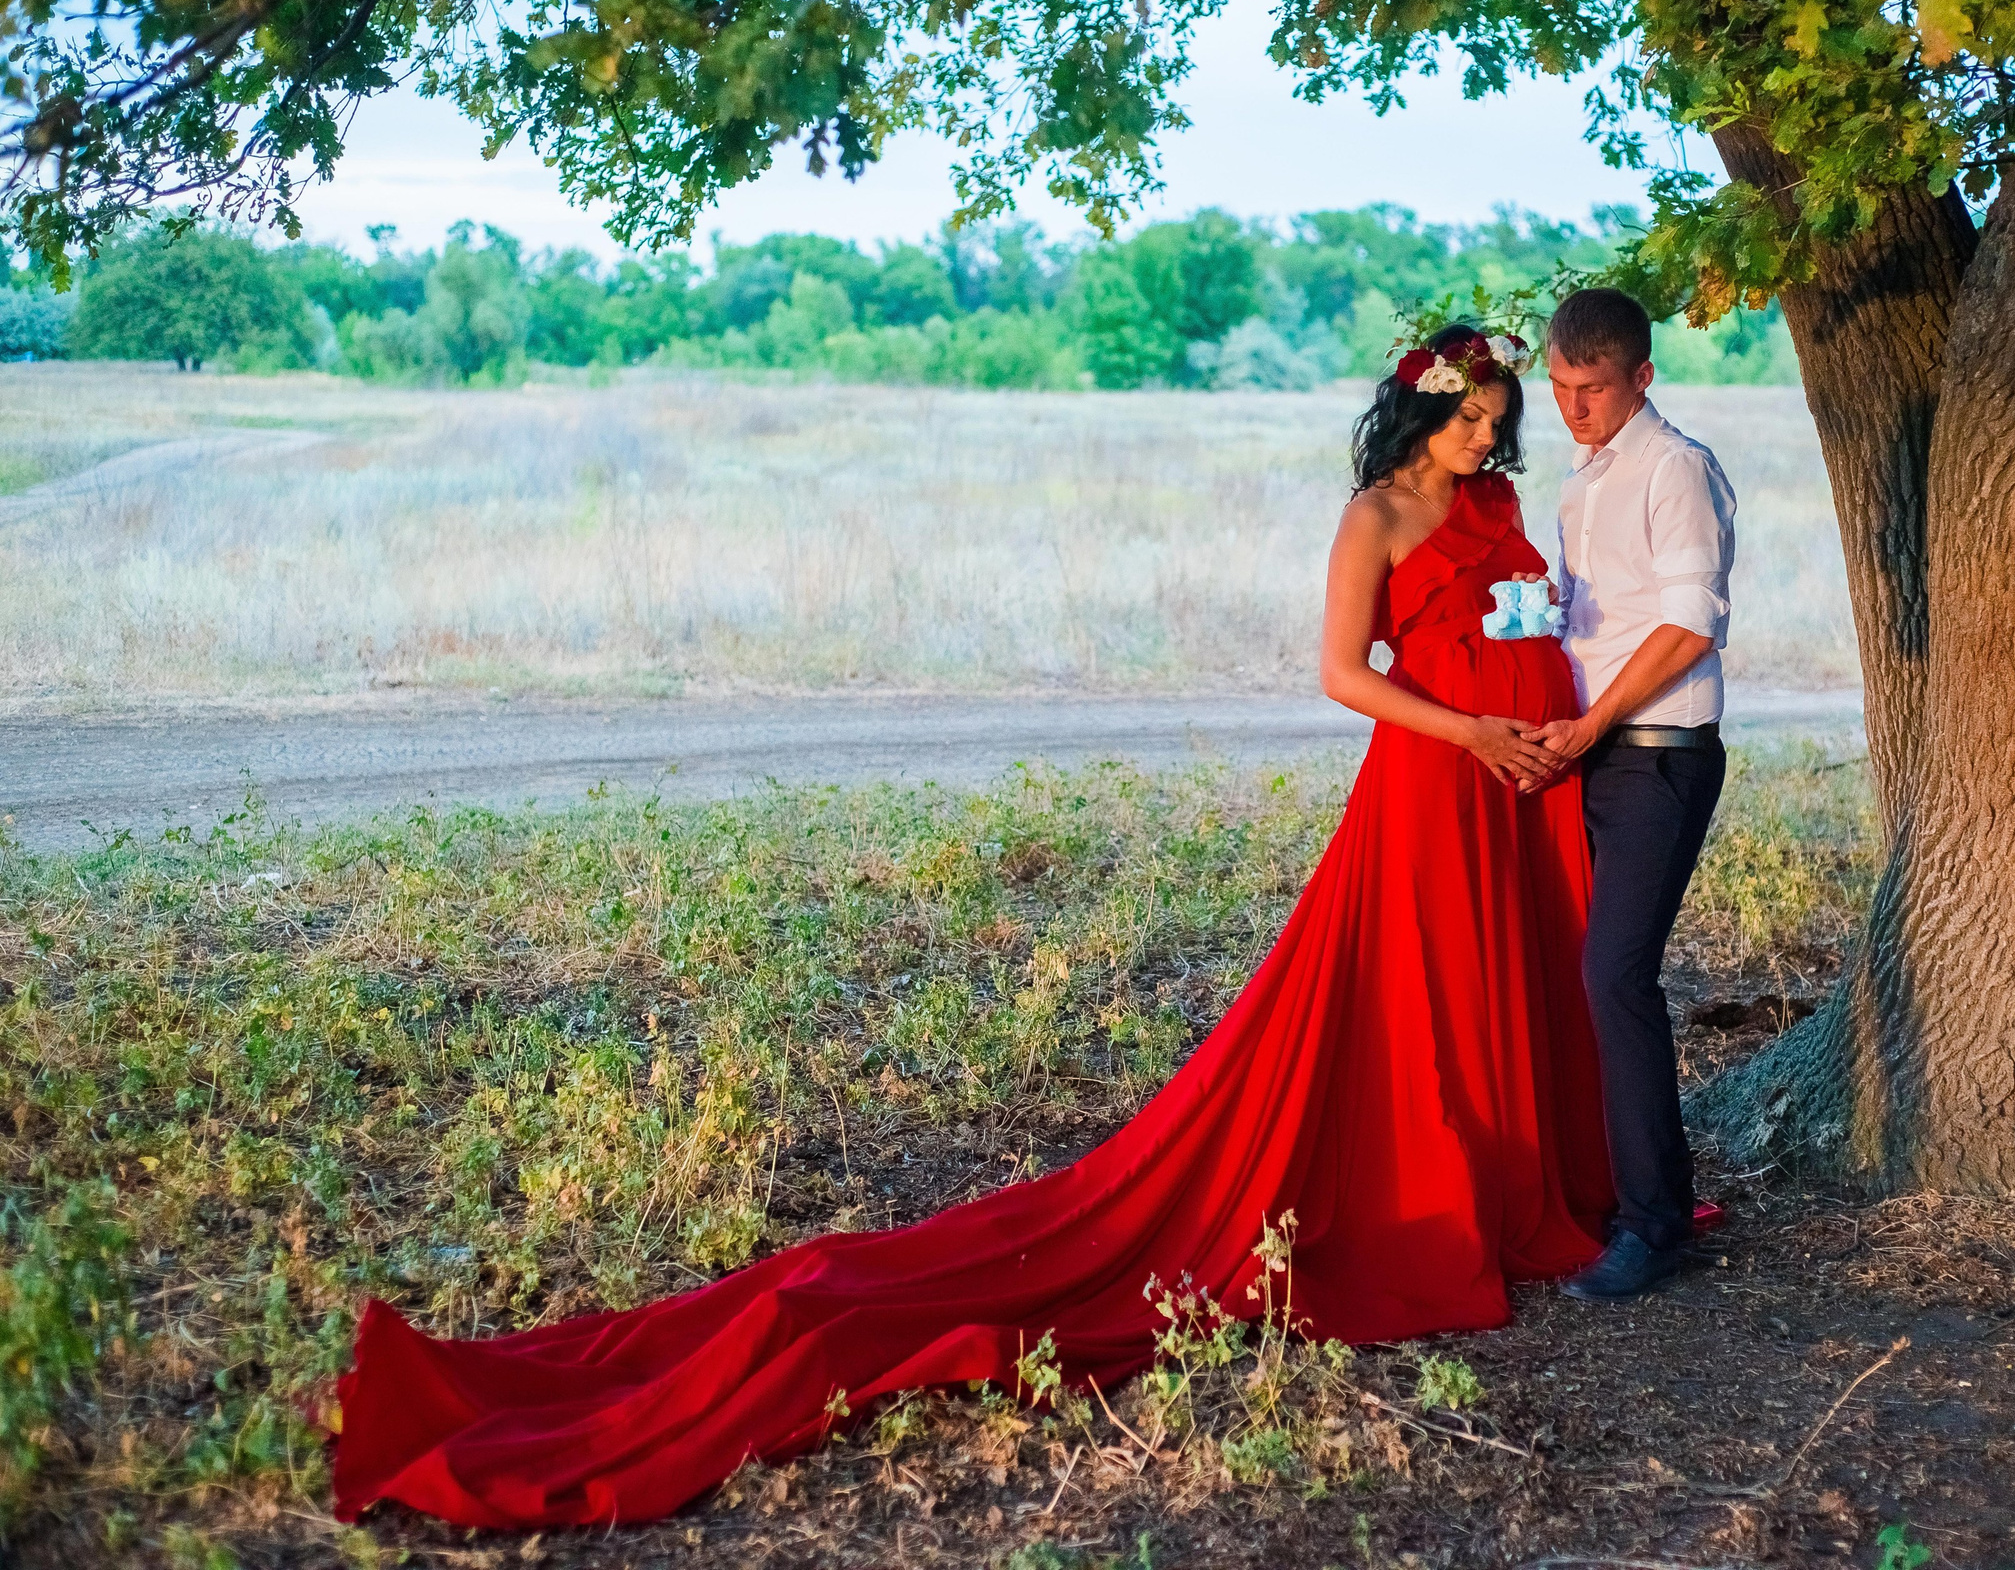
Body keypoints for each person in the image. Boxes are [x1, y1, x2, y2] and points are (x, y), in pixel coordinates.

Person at [329, 325, 1618, 1530]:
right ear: (1418, 410)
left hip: (1524, 784)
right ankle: (1429, 1187)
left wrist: (1542, 710)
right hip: (1436, 781)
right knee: (1414, 987)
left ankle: (1519, 1174)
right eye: (1470, 417)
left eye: (1497, 419)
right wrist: (1470, 727)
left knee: (1513, 976)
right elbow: (1343, 673)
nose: (1487, 437)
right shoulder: (1374, 514)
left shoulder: (1502, 508)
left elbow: (1524, 617)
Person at [1529, 287, 1738, 1303]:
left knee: (1616, 975)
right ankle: (1594, 1186)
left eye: (1594, 388)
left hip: (1658, 754)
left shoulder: (1674, 468)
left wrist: (1594, 720)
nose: (1574, 408)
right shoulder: (1584, 481)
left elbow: (1691, 623)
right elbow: (1599, 619)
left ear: (1642, 376)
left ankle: (1656, 1223)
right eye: (1559, 387)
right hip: (1593, 751)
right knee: (1576, 972)